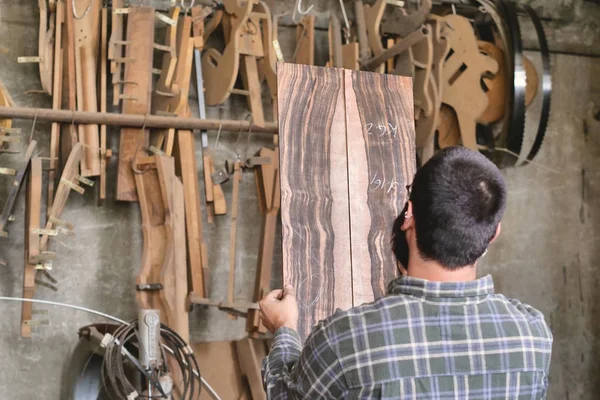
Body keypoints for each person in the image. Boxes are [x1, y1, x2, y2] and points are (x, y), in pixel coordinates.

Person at [259, 146, 553, 399]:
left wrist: (284, 329)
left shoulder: (345, 341)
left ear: (409, 214)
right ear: (493, 234)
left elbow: (285, 394)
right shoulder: (533, 338)